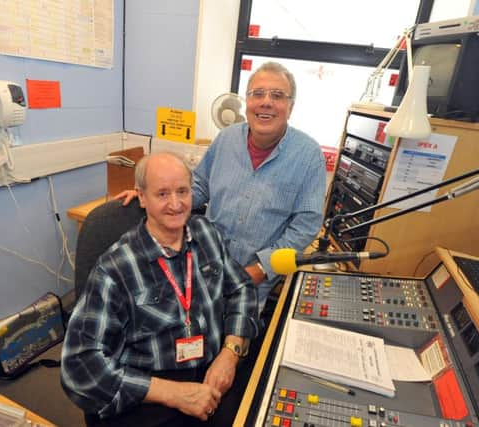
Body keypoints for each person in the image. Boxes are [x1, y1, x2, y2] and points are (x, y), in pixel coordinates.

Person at [61, 152, 259, 427]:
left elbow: (242, 288)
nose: (176, 204)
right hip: (151, 394)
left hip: (213, 374)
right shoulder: (116, 268)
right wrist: (174, 394)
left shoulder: (206, 234)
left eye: (182, 191)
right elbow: (79, 368)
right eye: (162, 194)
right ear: (142, 197)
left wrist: (230, 353)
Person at [117, 61, 326, 314]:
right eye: (257, 94)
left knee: (230, 338)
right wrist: (155, 197)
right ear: (246, 102)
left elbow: (305, 226)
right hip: (202, 263)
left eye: (277, 96)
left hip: (253, 279)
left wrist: (261, 270)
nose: (266, 102)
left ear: (290, 107)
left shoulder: (308, 155)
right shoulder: (226, 138)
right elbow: (200, 186)